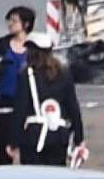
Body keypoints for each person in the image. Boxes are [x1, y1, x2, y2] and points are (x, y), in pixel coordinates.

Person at [19, 32, 85, 166]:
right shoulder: (64, 73)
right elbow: (73, 107)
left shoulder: (27, 75)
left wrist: (13, 140)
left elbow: (20, 109)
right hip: (59, 136)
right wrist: (79, 137)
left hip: (34, 137)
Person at [0, 6, 37, 163]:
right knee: (4, 142)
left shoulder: (34, 46)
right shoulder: (2, 43)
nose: (10, 24)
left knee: (28, 142)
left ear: (26, 24)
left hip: (27, 100)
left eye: (14, 21)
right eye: (9, 20)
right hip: (4, 98)